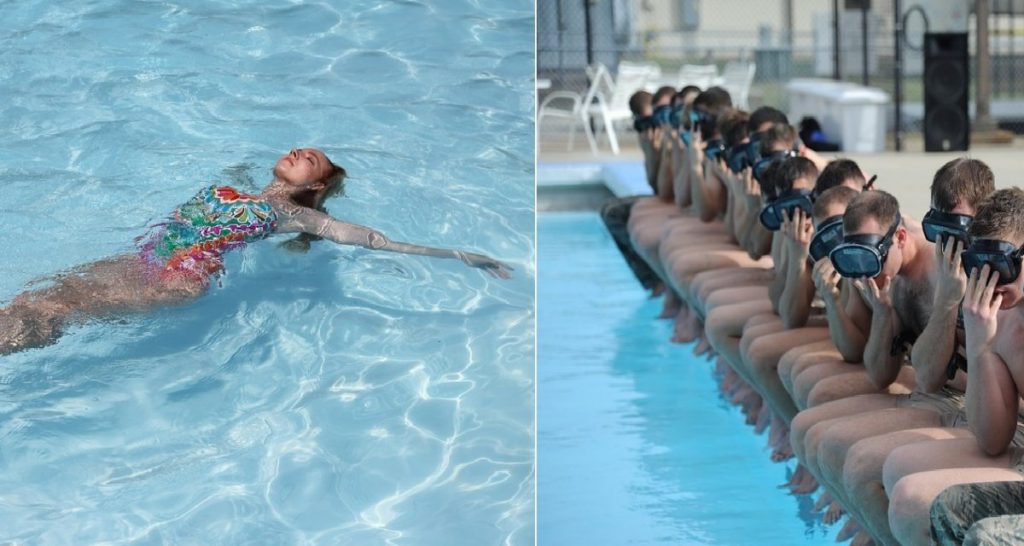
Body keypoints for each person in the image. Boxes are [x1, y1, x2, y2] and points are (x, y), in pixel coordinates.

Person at [0, 148, 511, 355]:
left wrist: (460, 255)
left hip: (176, 276)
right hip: (146, 260)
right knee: (34, 300)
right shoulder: (240, 186)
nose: (301, 153)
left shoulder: (301, 217)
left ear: (318, 186)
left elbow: (376, 241)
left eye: (313, 160)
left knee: (51, 312)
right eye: (299, 148)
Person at [880, 188, 1024, 545]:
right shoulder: (1000, 322)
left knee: (984, 537)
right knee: (925, 500)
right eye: (979, 265)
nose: (990, 280)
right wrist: (980, 345)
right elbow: (992, 440)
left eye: (1001, 263)